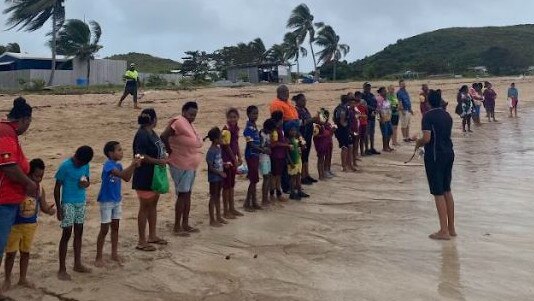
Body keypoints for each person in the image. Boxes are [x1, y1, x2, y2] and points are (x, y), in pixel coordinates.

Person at [0, 97, 37, 294]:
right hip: (3, 199)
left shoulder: (9, 132)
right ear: (24, 120)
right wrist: (29, 183)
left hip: (9, 199)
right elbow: (8, 167)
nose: (27, 128)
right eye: (28, 124)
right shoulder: (6, 132)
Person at [3, 159, 55, 291]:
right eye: (35, 176)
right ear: (27, 174)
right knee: (11, 253)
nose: (38, 179)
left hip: (30, 225)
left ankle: (22, 278)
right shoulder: (19, 186)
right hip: (14, 226)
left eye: (41, 176)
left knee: (25, 252)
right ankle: (7, 279)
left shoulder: (39, 188)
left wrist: (49, 210)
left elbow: (42, 204)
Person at [415, 90, 456, 240]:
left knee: (438, 192)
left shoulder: (428, 116)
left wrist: (417, 142)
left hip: (435, 156)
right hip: (449, 153)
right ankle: (451, 228)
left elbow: (426, 138)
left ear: (428, 102)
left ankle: (443, 231)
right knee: (447, 190)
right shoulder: (447, 115)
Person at [95, 141, 141, 267]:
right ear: (111, 153)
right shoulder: (108, 165)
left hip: (116, 199)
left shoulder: (118, 165)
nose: (121, 152)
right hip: (106, 200)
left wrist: (134, 166)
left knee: (115, 227)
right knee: (104, 229)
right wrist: (133, 165)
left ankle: (114, 253)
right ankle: (98, 256)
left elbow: (126, 178)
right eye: (119, 150)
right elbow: (122, 175)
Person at [160, 102, 202, 236]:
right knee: (183, 194)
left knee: (187, 194)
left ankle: (185, 223)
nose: (192, 117)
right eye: (190, 114)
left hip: (190, 163)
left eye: (194, 115)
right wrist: (170, 151)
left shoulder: (188, 123)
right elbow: (163, 136)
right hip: (180, 163)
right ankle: (177, 226)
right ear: (184, 112)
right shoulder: (178, 122)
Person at [55, 145, 94, 280]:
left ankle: (77, 263)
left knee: (79, 232)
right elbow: (57, 186)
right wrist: (59, 208)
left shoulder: (85, 165)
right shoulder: (65, 166)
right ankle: (62, 268)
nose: (80, 165)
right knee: (66, 233)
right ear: (75, 156)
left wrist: (86, 184)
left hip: (80, 201)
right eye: (79, 162)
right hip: (67, 201)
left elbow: (87, 180)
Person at [132, 109, 168, 250]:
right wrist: (156, 161)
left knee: (152, 205)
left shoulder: (151, 133)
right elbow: (140, 155)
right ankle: (141, 241)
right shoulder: (142, 135)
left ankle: (152, 235)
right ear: (153, 119)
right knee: (145, 207)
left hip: (155, 175)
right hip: (144, 175)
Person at [269, 85, 297, 193]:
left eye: (287, 91)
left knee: (290, 162)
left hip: (290, 134)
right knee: (283, 166)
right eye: (284, 91)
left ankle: (290, 184)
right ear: (278, 92)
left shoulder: (287, 102)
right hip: (283, 135)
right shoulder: (276, 104)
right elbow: (277, 120)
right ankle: (284, 187)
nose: (287, 93)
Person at [221, 108, 243, 219]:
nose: (232, 119)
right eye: (230, 117)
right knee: (226, 186)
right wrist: (233, 159)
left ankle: (232, 208)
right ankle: (225, 211)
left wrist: (239, 155)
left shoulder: (236, 129)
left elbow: (236, 143)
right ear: (227, 118)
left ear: (238, 118)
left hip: (233, 159)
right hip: (226, 161)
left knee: (231, 185)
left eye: (234, 117)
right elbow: (226, 146)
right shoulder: (226, 130)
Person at [293, 94, 319, 185]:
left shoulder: (305, 109)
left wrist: (316, 120)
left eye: (305, 100)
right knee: (302, 157)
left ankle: (306, 174)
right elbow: (299, 123)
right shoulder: (295, 110)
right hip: (301, 136)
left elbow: (309, 120)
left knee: (306, 156)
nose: (305, 102)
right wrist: (312, 119)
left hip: (308, 135)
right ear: (297, 101)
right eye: (303, 100)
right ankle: (302, 177)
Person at [204, 127, 227, 227]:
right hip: (214, 178)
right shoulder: (211, 151)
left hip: (219, 176)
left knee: (218, 196)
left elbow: (218, 162)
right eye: (220, 137)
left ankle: (218, 216)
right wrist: (220, 173)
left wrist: (224, 164)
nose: (222, 139)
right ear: (216, 139)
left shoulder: (218, 149)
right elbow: (210, 167)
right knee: (213, 197)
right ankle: (212, 219)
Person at [243, 106, 264, 211]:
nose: (255, 116)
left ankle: (253, 201)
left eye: (256, 114)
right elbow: (250, 144)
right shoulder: (248, 129)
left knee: (254, 180)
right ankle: (248, 202)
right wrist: (262, 150)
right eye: (253, 114)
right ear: (248, 114)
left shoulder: (254, 126)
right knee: (253, 179)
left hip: (255, 155)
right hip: (251, 155)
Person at [269, 110, 289, 203]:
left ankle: (276, 193)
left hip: (280, 155)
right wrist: (286, 145)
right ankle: (275, 194)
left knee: (278, 175)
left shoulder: (279, 129)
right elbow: (274, 144)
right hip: (277, 156)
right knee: (275, 176)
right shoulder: (275, 131)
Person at [287, 124, 309, 200]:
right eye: (292, 130)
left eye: (295, 130)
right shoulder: (288, 140)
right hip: (293, 161)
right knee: (292, 178)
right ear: (289, 132)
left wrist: (302, 147)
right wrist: (290, 162)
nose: (294, 132)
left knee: (298, 176)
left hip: (298, 160)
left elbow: (299, 149)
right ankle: (292, 193)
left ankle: (299, 191)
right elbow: (287, 153)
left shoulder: (296, 139)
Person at [333, 95, 354, 172]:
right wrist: (346, 126)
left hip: (340, 130)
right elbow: (342, 121)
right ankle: (344, 166)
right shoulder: (343, 109)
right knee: (345, 147)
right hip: (343, 130)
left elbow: (334, 119)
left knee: (347, 146)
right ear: (347, 101)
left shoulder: (338, 107)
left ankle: (347, 165)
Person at [313, 109, 334, 180]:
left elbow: (330, 134)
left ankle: (323, 174)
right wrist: (325, 134)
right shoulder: (317, 126)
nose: (326, 118)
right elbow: (315, 136)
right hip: (320, 145)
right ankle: (321, 176)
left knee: (324, 159)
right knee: (320, 160)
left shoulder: (324, 125)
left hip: (326, 144)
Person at [259, 119, 276, 206]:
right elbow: (260, 147)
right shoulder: (261, 134)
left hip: (267, 157)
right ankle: (264, 199)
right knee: (266, 177)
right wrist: (266, 149)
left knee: (268, 176)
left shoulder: (268, 134)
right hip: (262, 158)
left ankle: (266, 197)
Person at [362, 82, 380, 154]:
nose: (368, 88)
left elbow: (375, 103)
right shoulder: (362, 96)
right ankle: (366, 149)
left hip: (372, 116)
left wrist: (375, 110)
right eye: (367, 87)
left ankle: (372, 148)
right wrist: (374, 109)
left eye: (369, 86)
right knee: (366, 134)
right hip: (366, 117)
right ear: (364, 87)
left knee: (372, 133)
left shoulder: (372, 95)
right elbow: (364, 105)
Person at [377, 87, 394, 152]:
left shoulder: (386, 99)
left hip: (388, 118)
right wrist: (381, 118)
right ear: (380, 92)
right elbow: (379, 110)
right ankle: (385, 147)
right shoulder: (379, 99)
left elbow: (389, 108)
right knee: (385, 133)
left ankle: (387, 145)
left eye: (385, 91)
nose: (385, 92)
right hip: (383, 119)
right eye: (384, 91)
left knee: (390, 132)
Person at [347, 93, 360, 170]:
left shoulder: (354, 109)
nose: (354, 104)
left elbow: (357, 117)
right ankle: (350, 164)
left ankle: (354, 161)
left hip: (356, 129)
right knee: (350, 147)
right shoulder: (348, 109)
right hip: (351, 130)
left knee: (355, 146)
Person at [355, 93, 368, 160]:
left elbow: (366, 112)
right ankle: (356, 153)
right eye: (358, 97)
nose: (359, 98)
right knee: (357, 138)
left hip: (364, 122)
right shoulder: (354, 105)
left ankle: (362, 151)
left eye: (359, 97)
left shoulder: (363, 103)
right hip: (358, 123)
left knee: (362, 138)